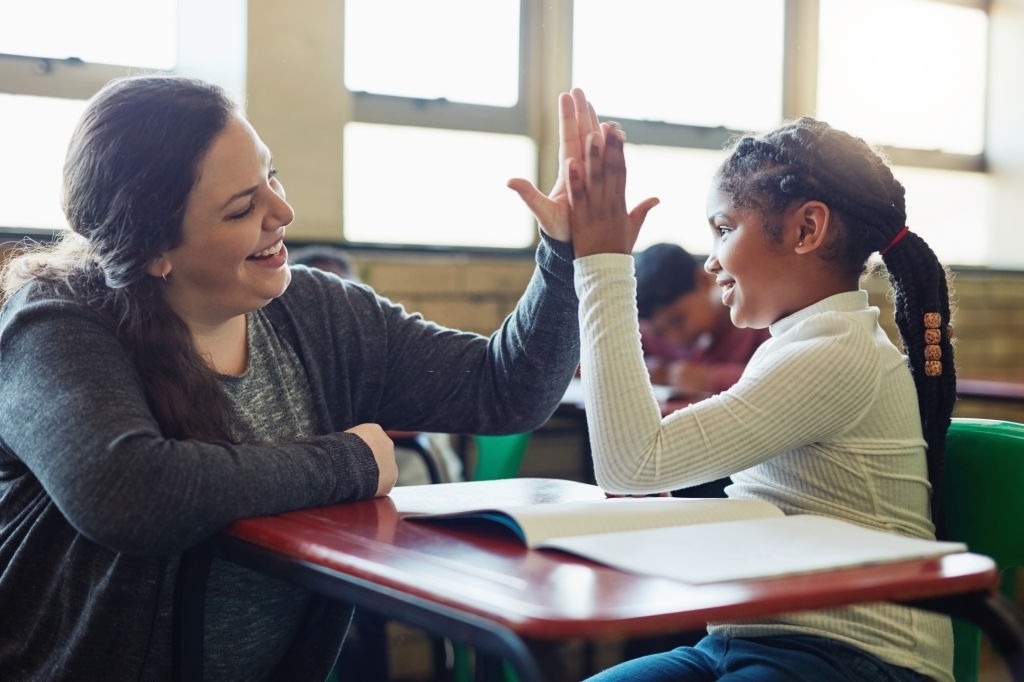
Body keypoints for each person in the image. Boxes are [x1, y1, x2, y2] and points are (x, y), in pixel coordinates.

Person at [0, 75, 593, 682]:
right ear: (155, 251)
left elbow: (505, 389)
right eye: (242, 208)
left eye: (271, 178)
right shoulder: (54, 323)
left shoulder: (319, 313)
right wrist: (352, 462)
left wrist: (566, 252)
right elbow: (126, 492)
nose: (283, 213)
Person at [560, 97, 957, 681]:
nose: (713, 262)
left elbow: (633, 463)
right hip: (743, 637)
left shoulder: (836, 355)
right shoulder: (798, 344)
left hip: (855, 656)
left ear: (806, 228)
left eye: (723, 229)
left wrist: (601, 263)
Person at [635, 242, 770, 398]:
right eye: (660, 332)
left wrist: (711, 378)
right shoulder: (649, 330)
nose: (675, 338)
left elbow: (783, 375)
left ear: (703, 281)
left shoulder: (758, 316)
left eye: (678, 321)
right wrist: (643, 369)